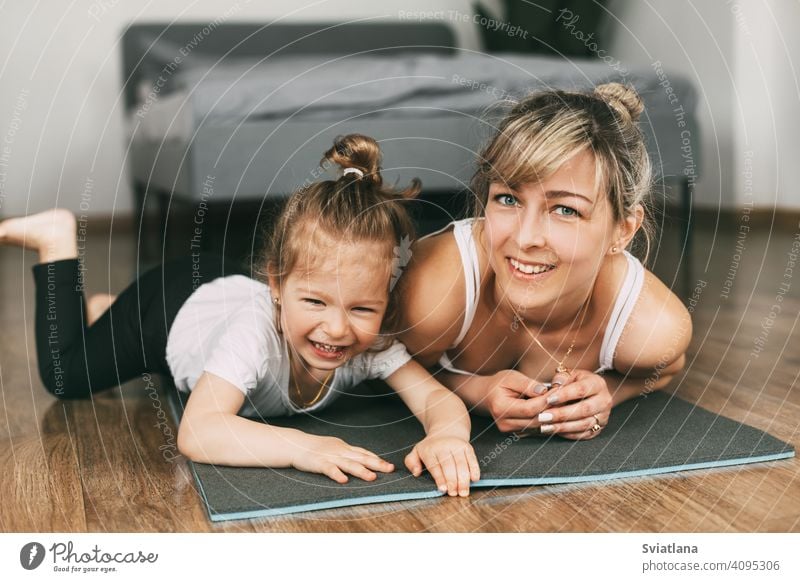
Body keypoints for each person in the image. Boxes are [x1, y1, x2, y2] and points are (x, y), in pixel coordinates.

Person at [0, 134, 480, 496]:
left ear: (385, 304)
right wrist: (305, 447)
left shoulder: (372, 344)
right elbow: (199, 431)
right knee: (67, 374)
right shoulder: (252, 335)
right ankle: (57, 243)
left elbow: (437, 400)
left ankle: (106, 311)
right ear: (277, 285)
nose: (336, 328)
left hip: (219, 291)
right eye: (314, 302)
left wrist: (449, 437)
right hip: (162, 311)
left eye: (361, 308)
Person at [398, 83, 692, 439]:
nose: (525, 238)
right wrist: (478, 392)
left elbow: (666, 368)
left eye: (566, 210)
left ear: (623, 230)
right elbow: (370, 364)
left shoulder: (650, 325)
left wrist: (607, 395)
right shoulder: (437, 292)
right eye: (508, 199)